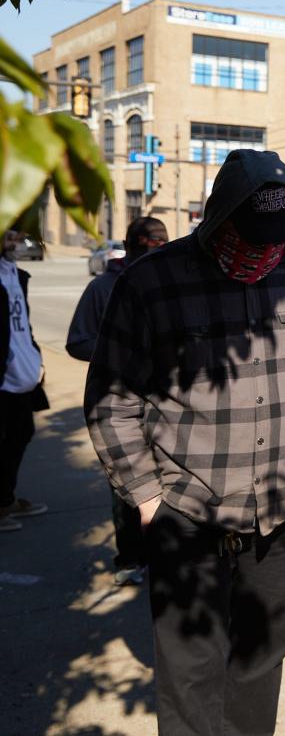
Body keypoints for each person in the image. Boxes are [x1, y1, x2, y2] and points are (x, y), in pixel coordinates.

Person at [85, 149, 285, 735]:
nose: (262, 251)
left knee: (259, 663)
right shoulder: (150, 282)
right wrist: (148, 498)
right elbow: (111, 398)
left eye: (275, 239)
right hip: (186, 510)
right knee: (190, 670)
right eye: (248, 236)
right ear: (216, 216)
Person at [65, 215, 169, 581]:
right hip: (121, 408)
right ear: (129, 245)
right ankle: (129, 560)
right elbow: (77, 341)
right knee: (128, 490)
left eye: (162, 242)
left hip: (167, 411)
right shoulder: (103, 288)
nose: (155, 248)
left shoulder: (172, 283)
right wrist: (122, 351)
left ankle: (164, 558)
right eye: (148, 242)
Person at [0, 225, 50, 533]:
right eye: (9, 237)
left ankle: (5, 497)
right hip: (3, 377)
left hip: (21, 372)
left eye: (17, 237)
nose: (16, 243)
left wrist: (34, 356)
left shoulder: (18, 277)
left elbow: (21, 322)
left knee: (20, 434)